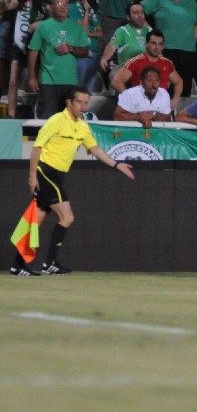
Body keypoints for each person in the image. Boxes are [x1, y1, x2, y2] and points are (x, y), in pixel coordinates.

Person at [13, 86, 135, 276]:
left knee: (35, 221)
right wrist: (32, 176)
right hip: (45, 172)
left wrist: (116, 164)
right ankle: (49, 264)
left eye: (86, 103)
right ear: (69, 102)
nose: (83, 106)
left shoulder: (82, 126)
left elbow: (95, 149)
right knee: (67, 217)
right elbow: (37, 148)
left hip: (58, 174)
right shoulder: (56, 121)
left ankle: (17, 265)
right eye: (80, 102)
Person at [27, 0, 91, 119]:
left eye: (66, 4)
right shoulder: (43, 26)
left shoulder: (76, 27)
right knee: (48, 119)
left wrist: (71, 48)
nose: (63, 7)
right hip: (48, 81)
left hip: (71, 81)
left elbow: (85, 51)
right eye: (59, 3)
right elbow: (33, 51)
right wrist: (32, 77)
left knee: (70, 119)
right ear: (50, 7)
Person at [99, 3, 152, 79]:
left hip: (147, 68)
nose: (140, 15)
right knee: (114, 75)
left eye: (142, 12)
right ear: (128, 17)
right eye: (135, 13)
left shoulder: (150, 31)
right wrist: (105, 58)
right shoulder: (122, 31)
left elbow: (158, 51)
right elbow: (112, 45)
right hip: (126, 68)